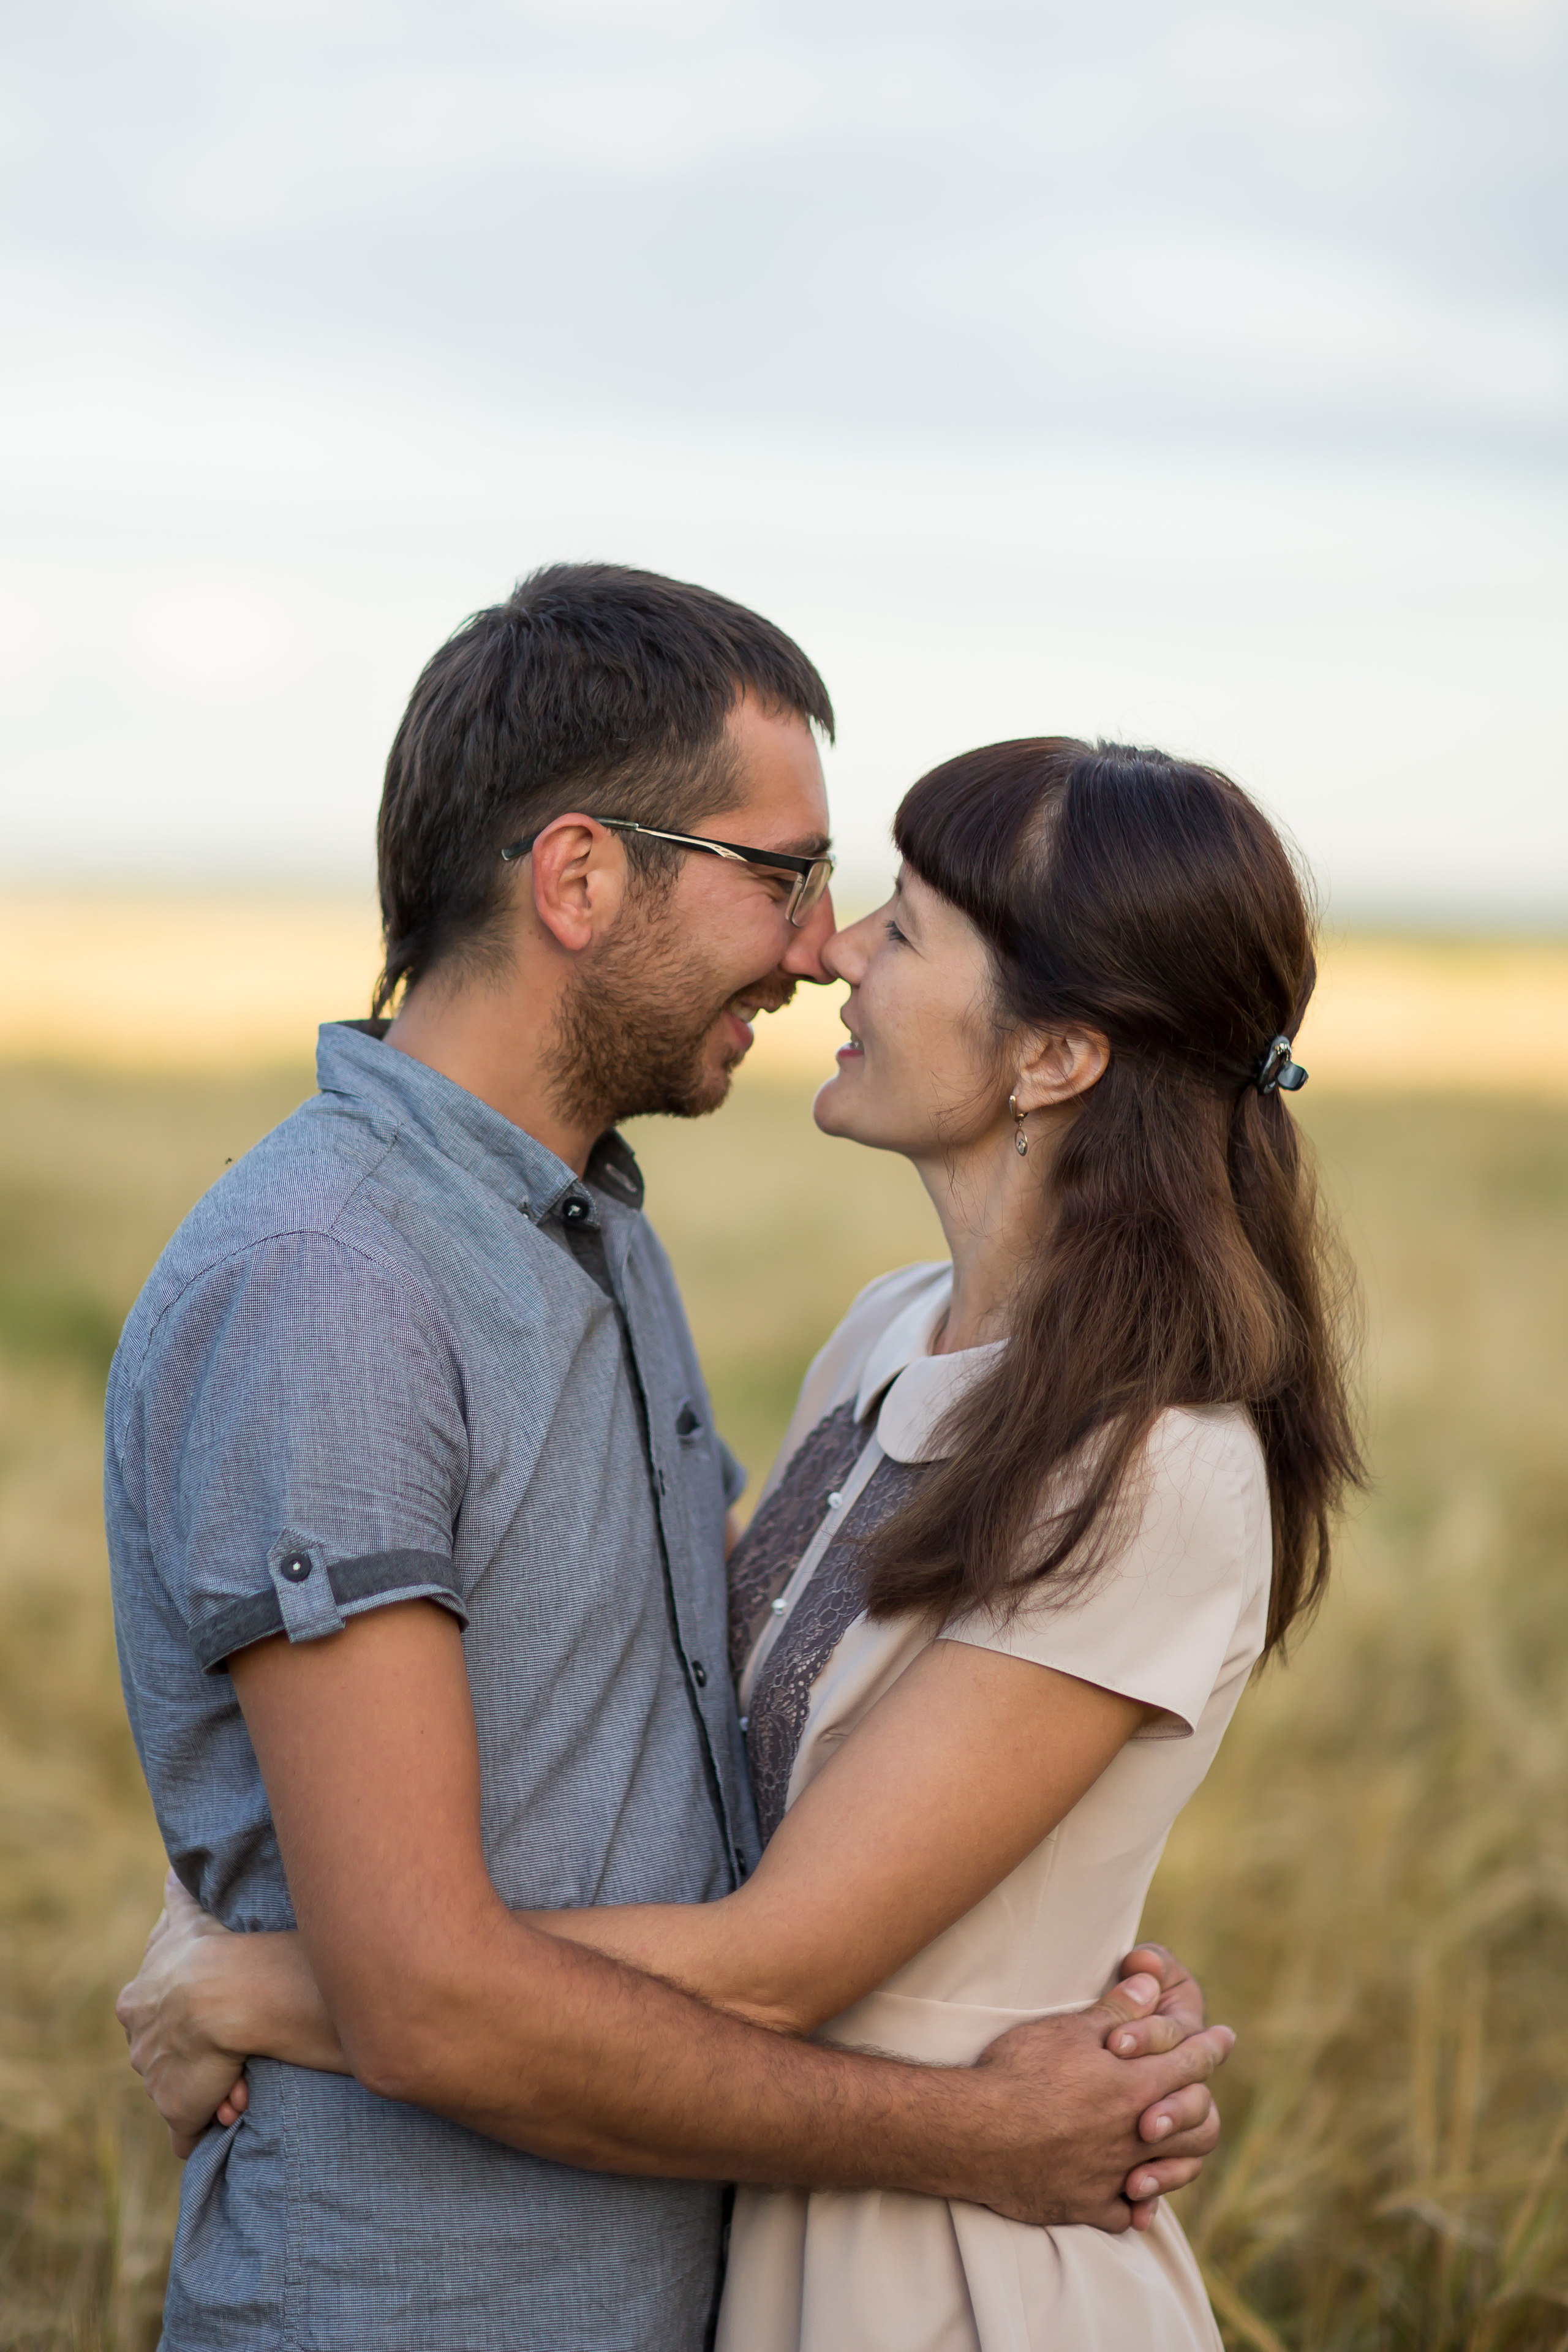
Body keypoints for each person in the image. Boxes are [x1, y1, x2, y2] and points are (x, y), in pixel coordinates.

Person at [107, 571, 1231, 2352]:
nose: (821, 943)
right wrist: (987, 2125)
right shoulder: (332, 1287)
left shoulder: (592, 1235)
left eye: (862, 902)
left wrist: (1045, 1941)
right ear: (578, 880)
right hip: (420, 2299)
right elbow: (421, 1990)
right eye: (782, 876)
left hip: (686, 2280)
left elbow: (712, 1692)